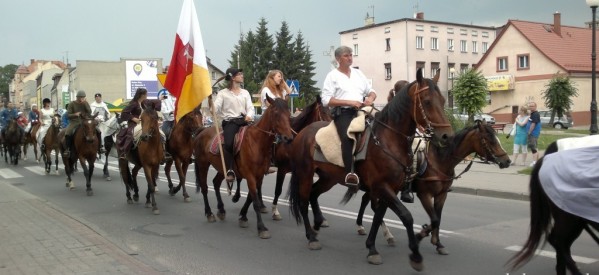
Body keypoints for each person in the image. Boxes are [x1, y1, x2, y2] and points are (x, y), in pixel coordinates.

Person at [321, 46, 376, 188]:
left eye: (351, 55)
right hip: (344, 113)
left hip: (363, 111)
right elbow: (326, 100)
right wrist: (349, 102)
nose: (350, 58)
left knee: (379, 130)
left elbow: (371, 91)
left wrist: (370, 97)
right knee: (347, 137)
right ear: (338, 59)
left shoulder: (358, 73)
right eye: (346, 55)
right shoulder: (332, 76)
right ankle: (349, 173)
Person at [214, 68, 254, 182]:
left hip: (244, 120)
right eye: (239, 74)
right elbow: (216, 108)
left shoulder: (245, 92)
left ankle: (265, 163)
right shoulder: (222, 93)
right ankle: (230, 169)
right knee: (229, 143)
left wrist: (249, 115)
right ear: (232, 77)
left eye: (242, 73)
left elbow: (250, 108)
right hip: (230, 122)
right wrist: (212, 106)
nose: (242, 75)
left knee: (260, 134)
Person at [63, 91, 96, 157]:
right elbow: (68, 115)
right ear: (77, 97)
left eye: (83, 97)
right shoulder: (72, 104)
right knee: (68, 132)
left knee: (98, 130)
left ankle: (100, 148)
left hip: (85, 121)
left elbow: (89, 112)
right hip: (74, 121)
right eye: (81, 97)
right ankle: (67, 149)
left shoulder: (85, 103)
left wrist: (85, 103)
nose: (82, 98)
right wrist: (75, 114)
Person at [527, 102, 542, 167]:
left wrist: (529, 132)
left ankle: (534, 162)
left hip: (533, 133)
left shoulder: (535, 114)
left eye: (532, 106)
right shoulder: (532, 113)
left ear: (535, 106)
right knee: (535, 147)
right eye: (530, 106)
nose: (531, 107)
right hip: (533, 133)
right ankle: (537, 161)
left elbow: (533, 124)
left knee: (533, 147)